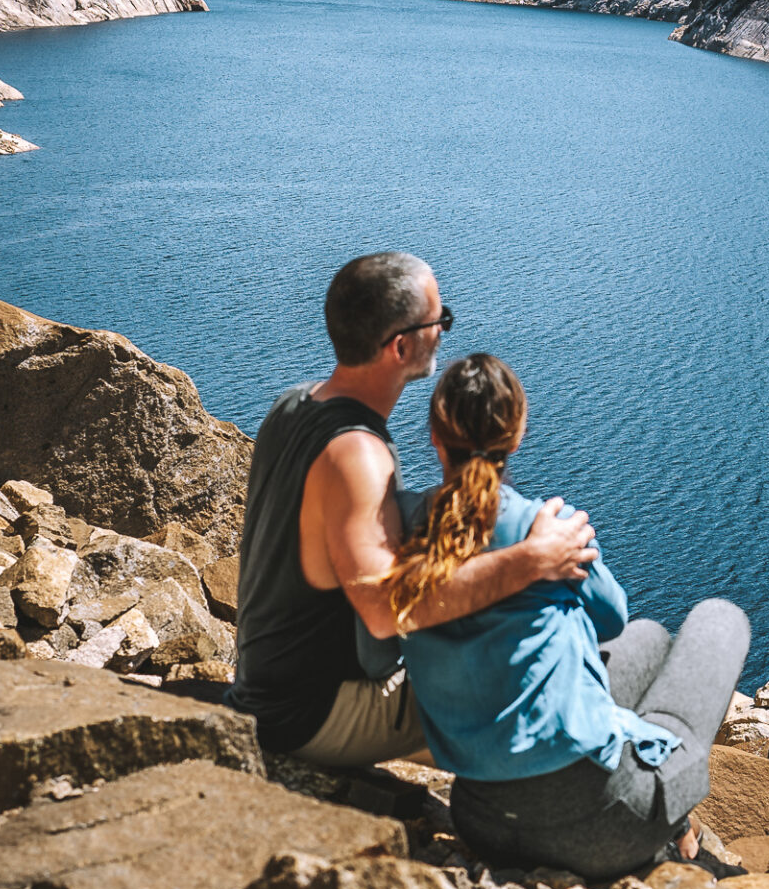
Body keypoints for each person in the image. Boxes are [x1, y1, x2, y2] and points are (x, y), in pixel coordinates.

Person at [386, 352, 750, 878]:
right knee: (718, 621)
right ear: (517, 435)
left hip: (480, 820)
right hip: (600, 827)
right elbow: (608, 616)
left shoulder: (401, 527)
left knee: (647, 638)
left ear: (434, 437)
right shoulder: (548, 530)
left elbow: (623, 631)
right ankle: (674, 825)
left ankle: (667, 815)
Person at [226, 252, 598, 767]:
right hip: (314, 715)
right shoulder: (357, 454)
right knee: (563, 662)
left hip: (268, 689)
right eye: (439, 321)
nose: (446, 331)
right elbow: (383, 613)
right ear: (401, 346)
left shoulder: (294, 403)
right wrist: (531, 560)